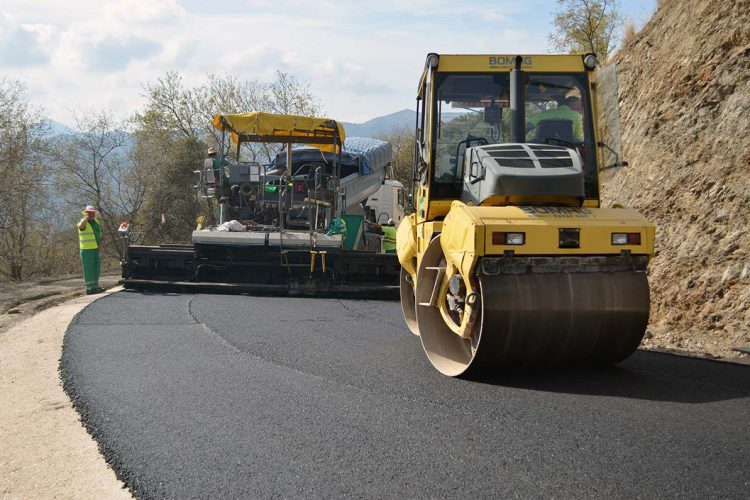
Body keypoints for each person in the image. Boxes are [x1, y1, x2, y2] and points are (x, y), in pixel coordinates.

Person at [78, 205, 104, 294]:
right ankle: (89, 288)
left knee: (96, 268)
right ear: (86, 213)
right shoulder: (83, 222)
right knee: (89, 269)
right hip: (87, 250)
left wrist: (100, 241)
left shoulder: (95, 221)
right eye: (89, 213)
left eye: (92, 213)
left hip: (95, 249)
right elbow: (81, 227)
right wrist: (86, 218)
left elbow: (99, 232)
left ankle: (95, 287)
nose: (91, 214)